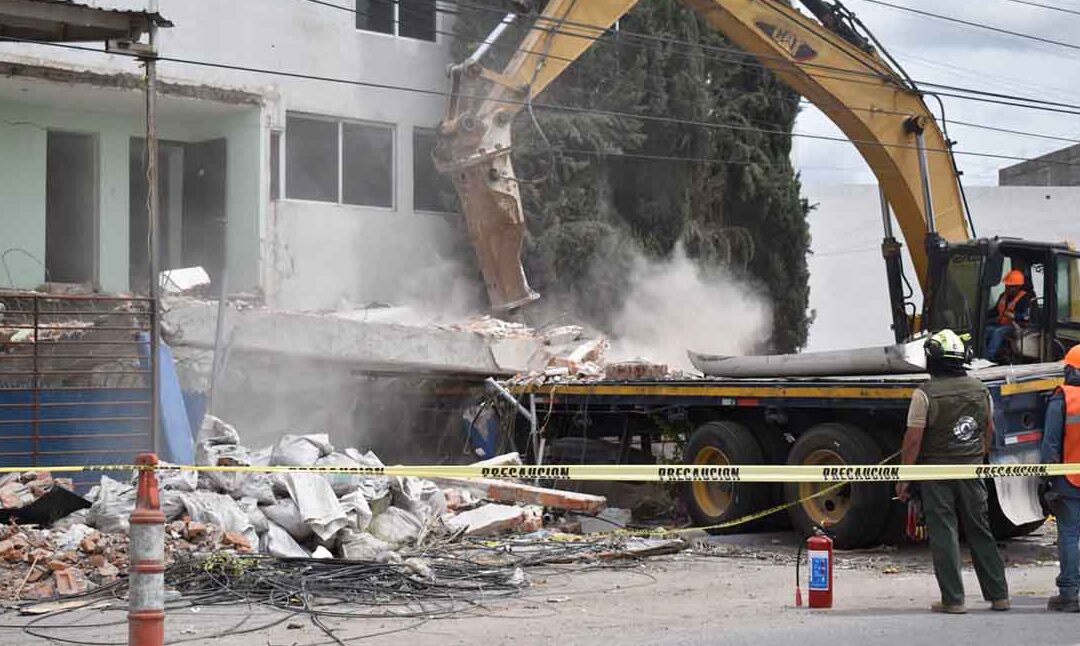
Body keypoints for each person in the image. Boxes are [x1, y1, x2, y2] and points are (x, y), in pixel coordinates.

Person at [896, 328, 1010, 614]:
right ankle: (999, 595)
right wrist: (976, 457)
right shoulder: (980, 389)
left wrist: (905, 478)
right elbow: (989, 431)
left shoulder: (924, 394)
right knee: (980, 530)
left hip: (936, 474)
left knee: (944, 532)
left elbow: (913, 441)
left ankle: (954, 600)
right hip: (971, 471)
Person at [1040, 344, 1080, 612]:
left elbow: (1050, 444)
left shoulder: (1063, 398)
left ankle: (1068, 593)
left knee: (1069, 533)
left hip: (1069, 477)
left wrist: (1045, 478)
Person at [984, 269, 1033, 360]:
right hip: (1001, 324)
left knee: (997, 332)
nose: (1008, 288)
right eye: (1007, 285)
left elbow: (1026, 316)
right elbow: (995, 311)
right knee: (985, 329)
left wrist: (1015, 316)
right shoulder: (1003, 295)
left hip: (1017, 326)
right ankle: (980, 354)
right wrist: (982, 314)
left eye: (1011, 286)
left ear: (1019, 286)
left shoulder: (1025, 298)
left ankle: (988, 358)